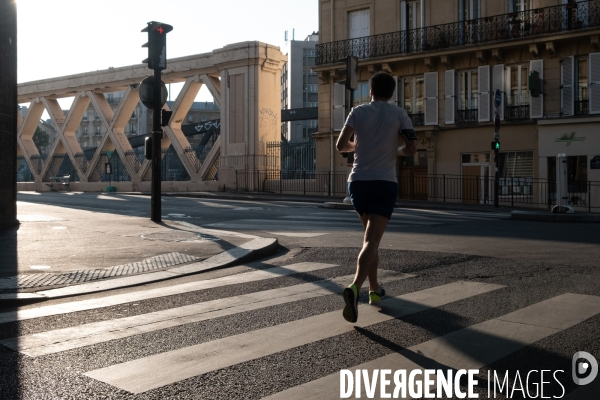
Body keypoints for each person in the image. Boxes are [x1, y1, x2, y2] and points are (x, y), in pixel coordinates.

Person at [336, 71, 417, 323]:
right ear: (391, 93)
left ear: (370, 90)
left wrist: (358, 147)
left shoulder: (358, 112)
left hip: (357, 182)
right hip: (384, 182)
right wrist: (396, 150)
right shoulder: (399, 114)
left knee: (369, 240)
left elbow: (341, 145)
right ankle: (354, 288)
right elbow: (412, 147)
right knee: (372, 241)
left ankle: (374, 290)